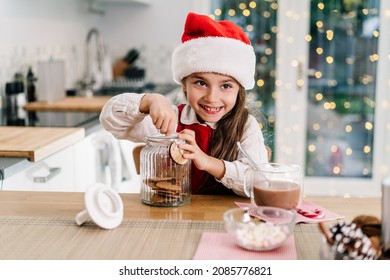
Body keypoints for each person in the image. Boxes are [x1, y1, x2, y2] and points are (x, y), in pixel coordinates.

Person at [99, 12, 269, 196]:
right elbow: (110, 120)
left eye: (226, 86)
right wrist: (149, 100)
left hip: (227, 220)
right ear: (184, 85)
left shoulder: (245, 126)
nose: (212, 97)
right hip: (174, 218)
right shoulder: (169, 122)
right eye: (201, 83)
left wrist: (206, 161)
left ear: (239, 90)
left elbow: (258, 183)